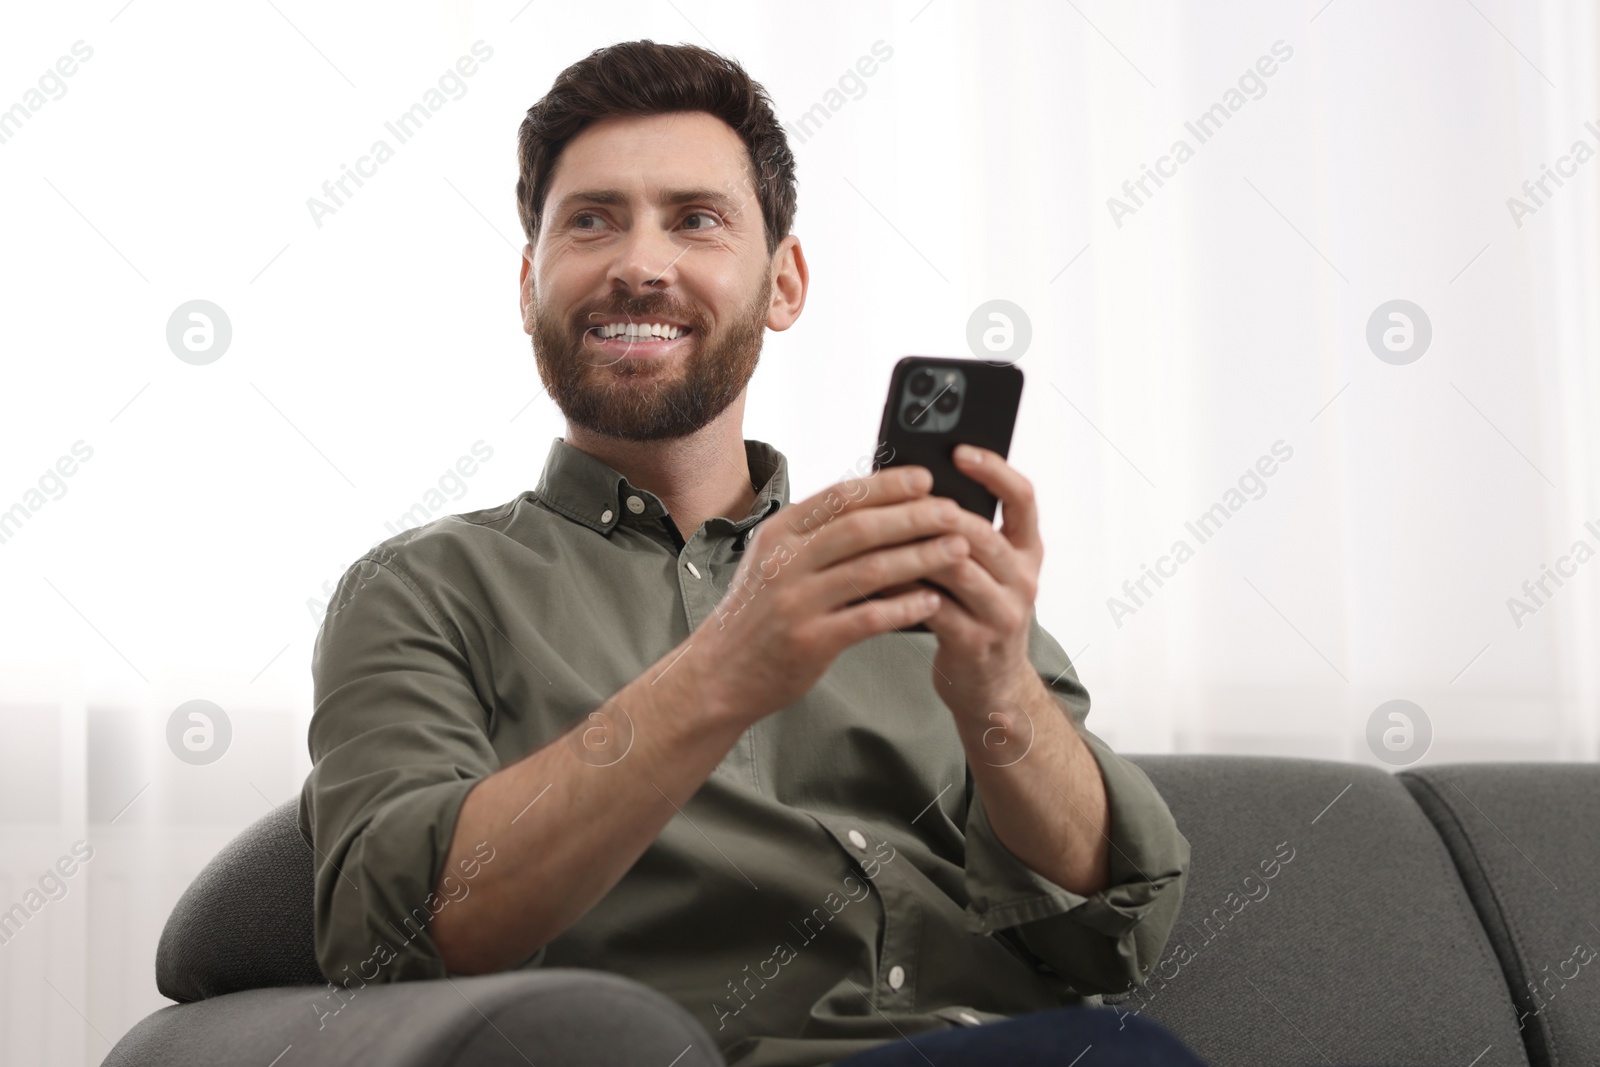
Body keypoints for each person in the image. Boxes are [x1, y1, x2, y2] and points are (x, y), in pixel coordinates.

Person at [299, 38, 1200, 1067]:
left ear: (783, 282)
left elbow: (1115, 928)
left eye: (696, 219)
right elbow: (392, 933)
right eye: (590, 220)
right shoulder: (424, 590)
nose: (640, 264)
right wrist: (727, 666)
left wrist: (997, 692)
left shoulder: (918, 564)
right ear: (528, 283)